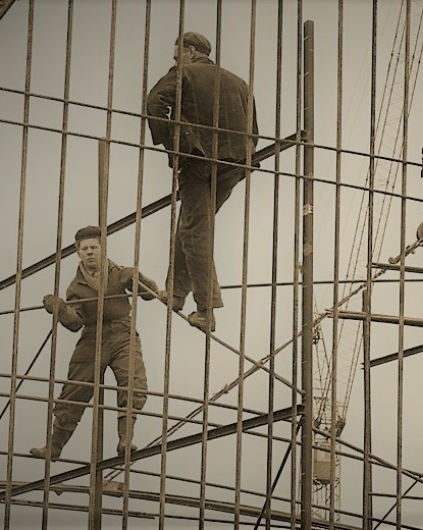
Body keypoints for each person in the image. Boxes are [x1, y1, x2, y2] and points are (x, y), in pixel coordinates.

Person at [146, 31, 259, 332]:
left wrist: (175, 144)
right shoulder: (239, 83)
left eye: (177, 54)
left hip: (198, 163)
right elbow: (255, 132)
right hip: (233, 166)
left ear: (192, 51)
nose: (176, 60)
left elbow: (155, 103)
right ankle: (176, 292)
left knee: (196, 232)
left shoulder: (184, 73)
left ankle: (206, 309)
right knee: (193, 224)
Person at [30, 226, 158, 461]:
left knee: (133, 381)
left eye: (94, 248)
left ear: (102, 249)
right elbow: (75, 323)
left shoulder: (121, 273)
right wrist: (60, 309)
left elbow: (151, 293)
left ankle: (125, 439)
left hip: (122, 333)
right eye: (84, 249)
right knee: (75, 388)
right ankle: (54, 446)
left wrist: (138, 278)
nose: (90, 252)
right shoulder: (75, 287)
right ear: (78, 253)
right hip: (92, 336)